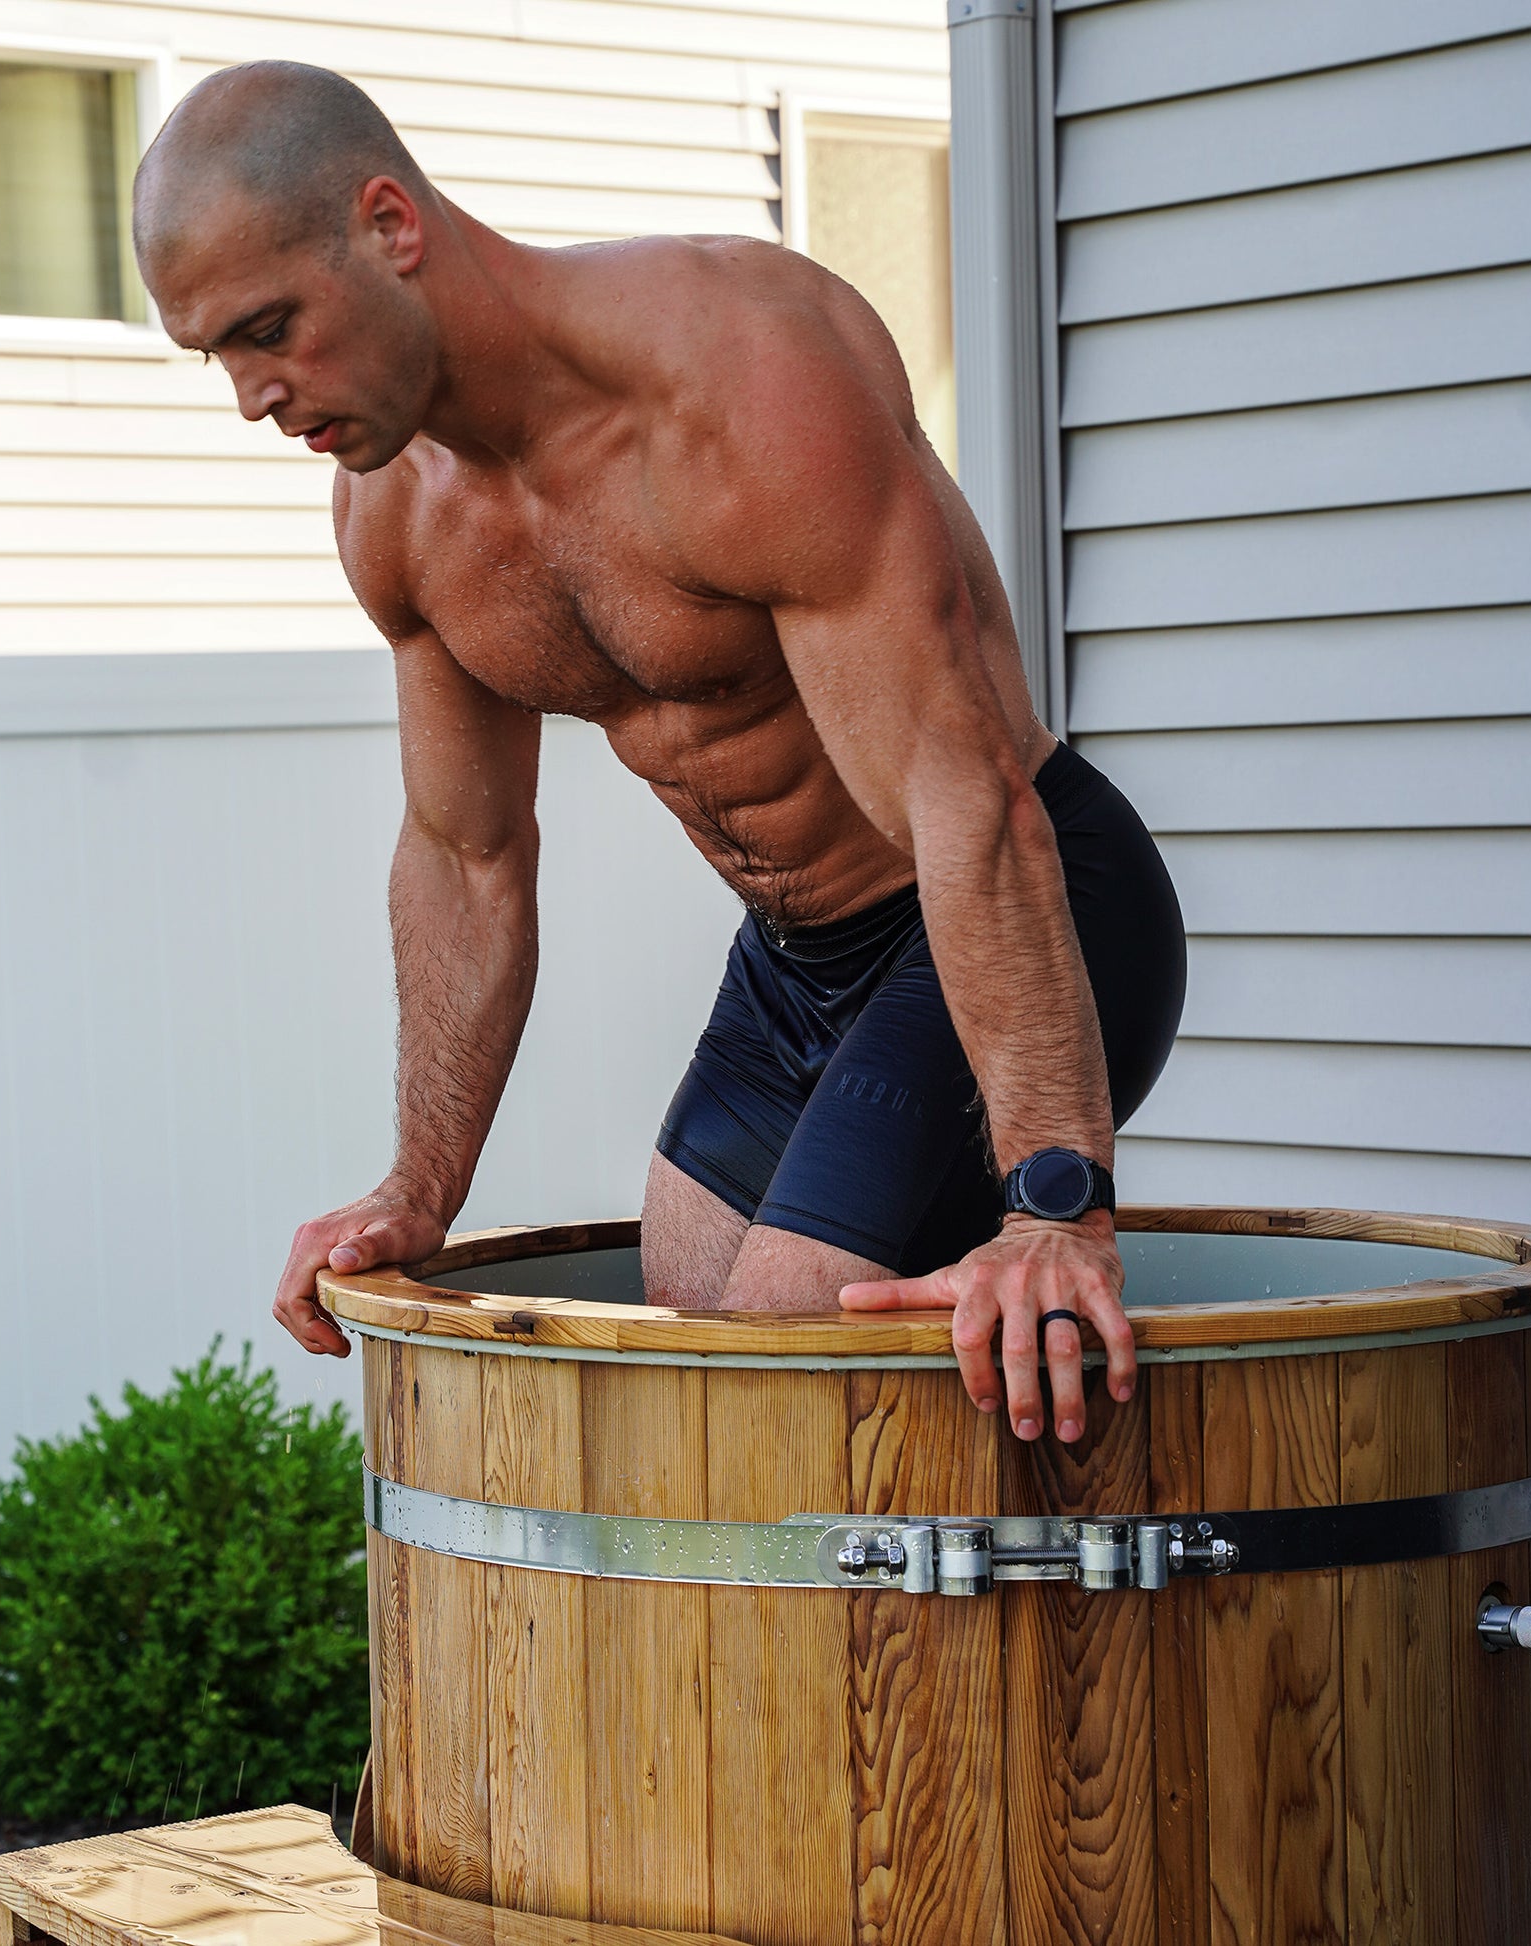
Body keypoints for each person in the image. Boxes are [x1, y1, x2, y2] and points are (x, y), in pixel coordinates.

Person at [132, 61, 1186, 1444]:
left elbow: (963, 795)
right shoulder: (393, 514)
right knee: (683, 1336)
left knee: (772, 1364)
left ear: (390, 225)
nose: (253, 395)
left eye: (270, 329)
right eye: (217, 353)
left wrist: (1057, 1206)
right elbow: (464, 853)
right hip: (793, 959)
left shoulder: (738, 381)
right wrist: (418, 1185)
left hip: (1021, 898)